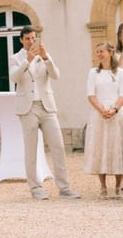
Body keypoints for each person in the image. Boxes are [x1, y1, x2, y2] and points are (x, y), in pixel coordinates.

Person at [9, 31, 78, 199]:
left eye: (33, 38)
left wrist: (46, 58)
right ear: (21, 40)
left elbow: (56, 75)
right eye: (27, 39)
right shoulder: (16, 58)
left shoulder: (44, 56)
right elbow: (14, 77)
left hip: (46, 106)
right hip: (28, 108)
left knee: (58, 146)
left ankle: (64, 187)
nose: (31, 41)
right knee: (31, 149)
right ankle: (35, 188)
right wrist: (28, 60)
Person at [85, 42, 123, 199]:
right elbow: (90, 94)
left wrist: (114, 109)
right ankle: (103, 186)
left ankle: (119, 185)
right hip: (99, 113)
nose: (99, 54)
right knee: (101, 147)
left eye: (102, 51)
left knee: (117, 147)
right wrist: (102, 110)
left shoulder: (120, 73)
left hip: (116, 114)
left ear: (110, 52)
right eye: (97, 51)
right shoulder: (93, 73)